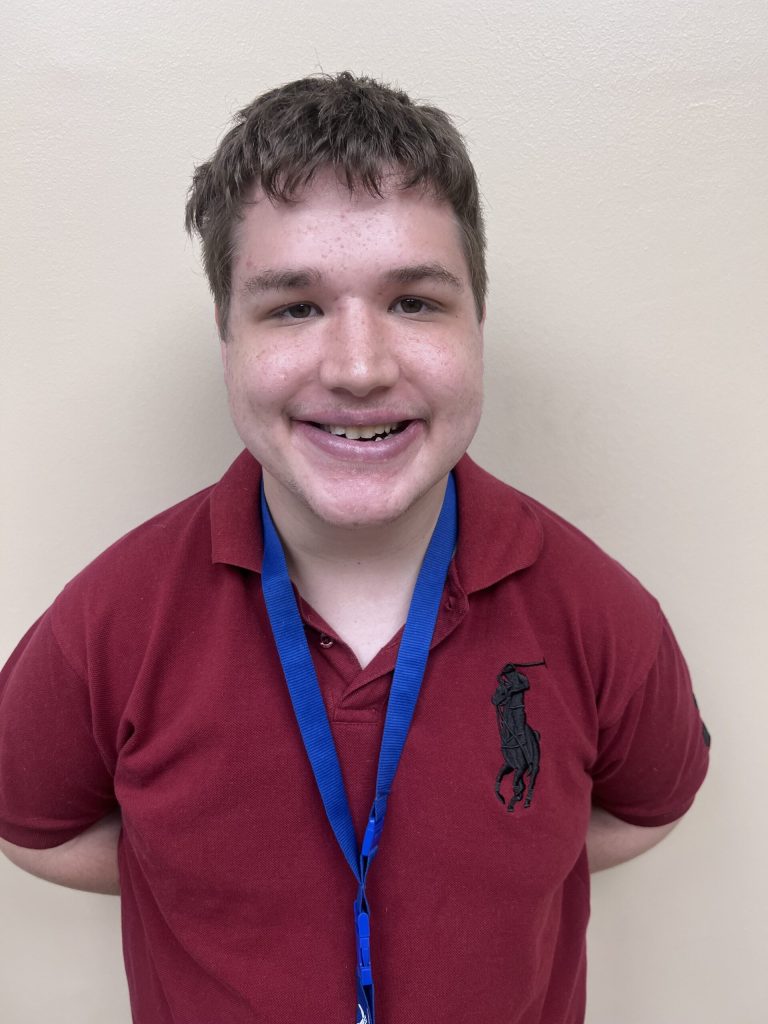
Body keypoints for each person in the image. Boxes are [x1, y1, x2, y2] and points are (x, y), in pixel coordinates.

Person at [0, 72, 709, 1024]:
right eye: (292, 307)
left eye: (415, 301)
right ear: (226, 336)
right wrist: (189, 871)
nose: (361, 368)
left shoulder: (600, 611)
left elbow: (645, 805)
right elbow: (30, 825)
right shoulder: (113, 618)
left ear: (477, 323)